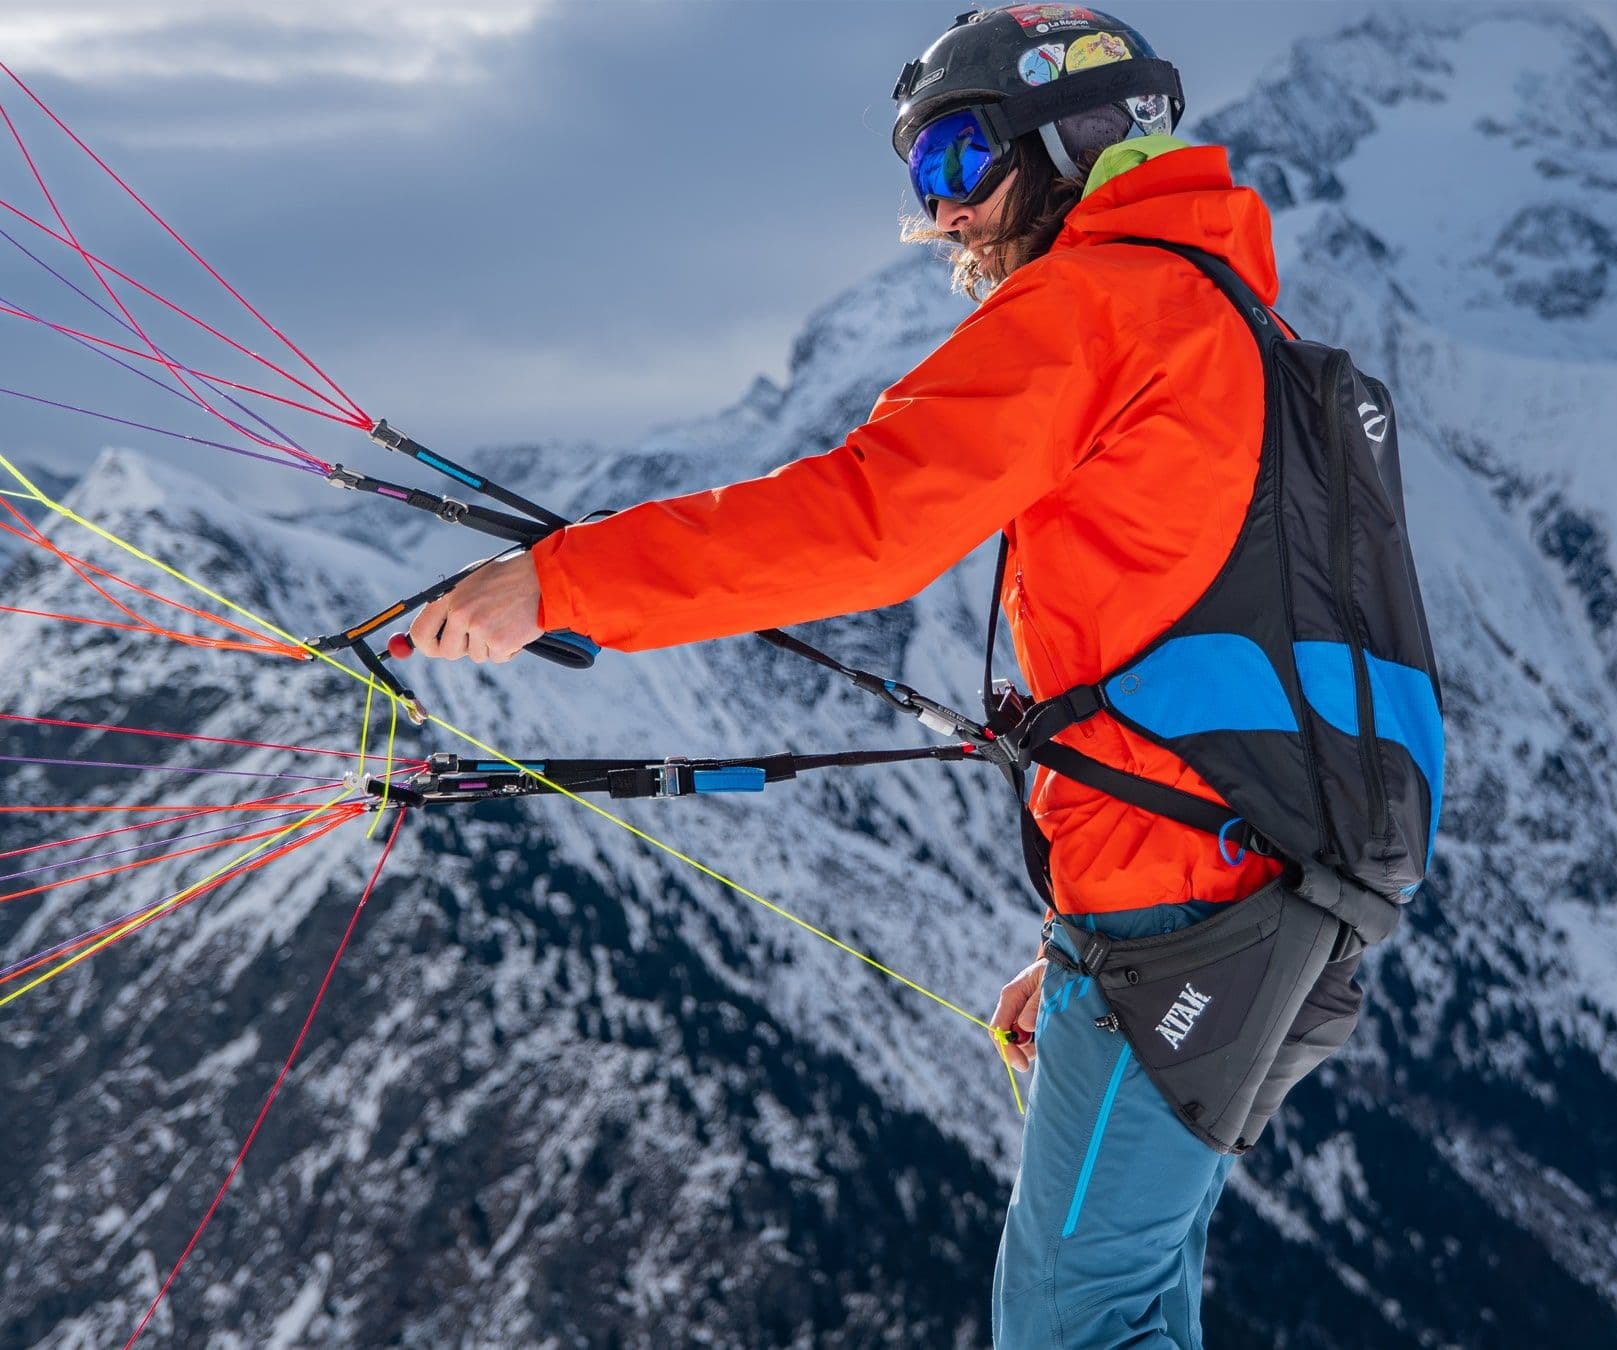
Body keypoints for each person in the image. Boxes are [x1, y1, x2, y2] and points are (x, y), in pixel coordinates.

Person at [408, 8, 1330, 1346]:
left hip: (1187, 907)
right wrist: (1084, 937)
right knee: (1133, 1303)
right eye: (921, 172)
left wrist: (561, 584)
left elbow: (864, 520)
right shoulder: (1241, 323)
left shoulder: (1097, 306)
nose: (940, 212)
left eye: (957, 159)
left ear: (1065, 144)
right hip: (1270, 892)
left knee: (1076, 1323)